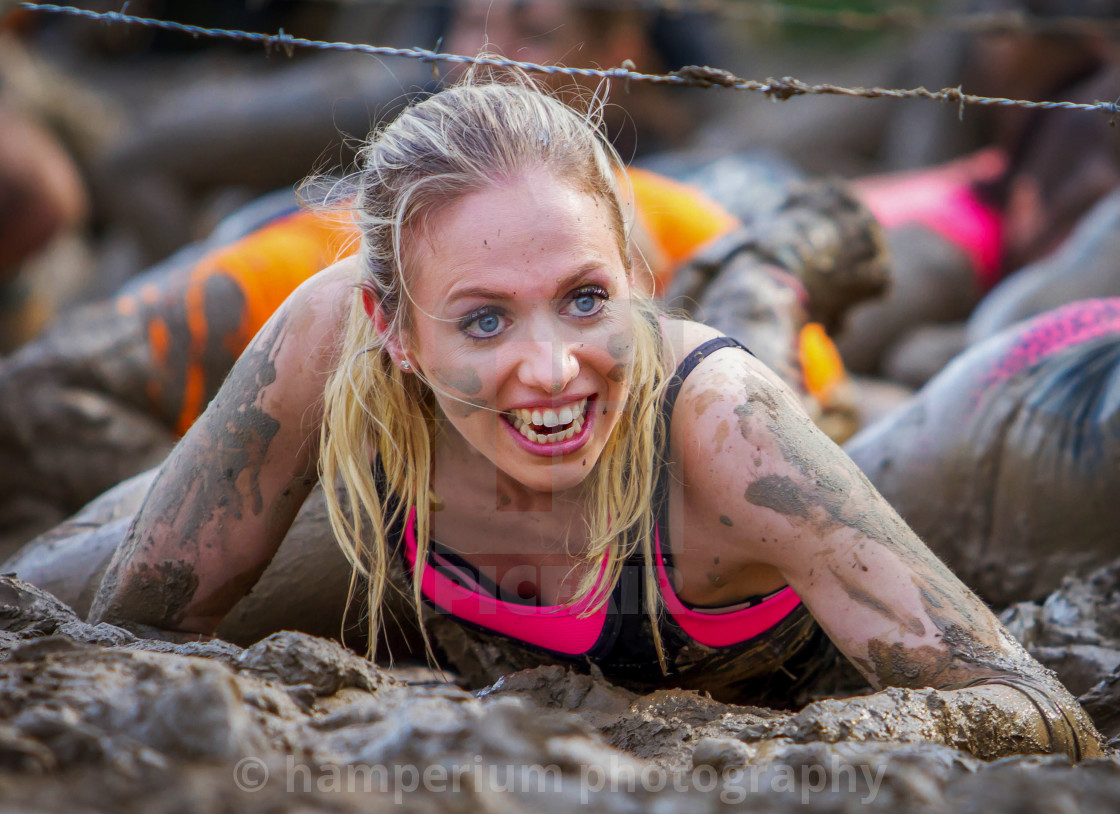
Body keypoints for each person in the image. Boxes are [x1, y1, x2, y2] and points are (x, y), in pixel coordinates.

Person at [80, 68, 1101, 760]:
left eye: (584, 297)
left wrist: (776, 748)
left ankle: (771, 266)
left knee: (765, 386)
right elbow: (130, 630)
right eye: (483, 320)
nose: (549, 369)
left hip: (737, 504)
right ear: (391, 325)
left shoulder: (729, 427)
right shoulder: (331, 333)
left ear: (632, 275)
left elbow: (1038, 708)